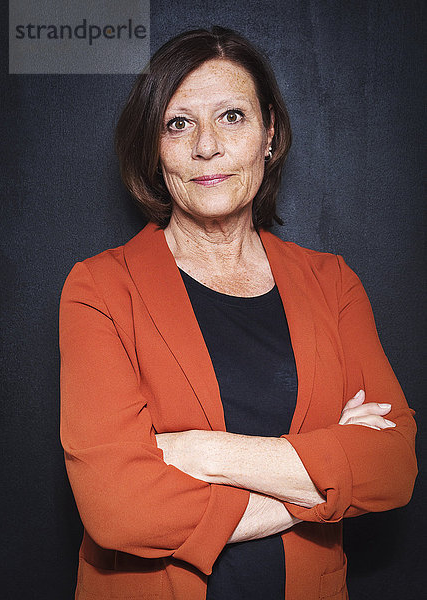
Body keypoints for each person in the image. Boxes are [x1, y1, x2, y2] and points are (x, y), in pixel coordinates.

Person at [59, 26, 417, 600]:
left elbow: (394, 465)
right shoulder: (101, 288)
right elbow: (119, 510)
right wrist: (325, 481)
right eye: (178, 123)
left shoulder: (333, 283)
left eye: (232, 117)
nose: (207, 146)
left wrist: (202, 452)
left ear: (269, 134)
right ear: (154, 146)